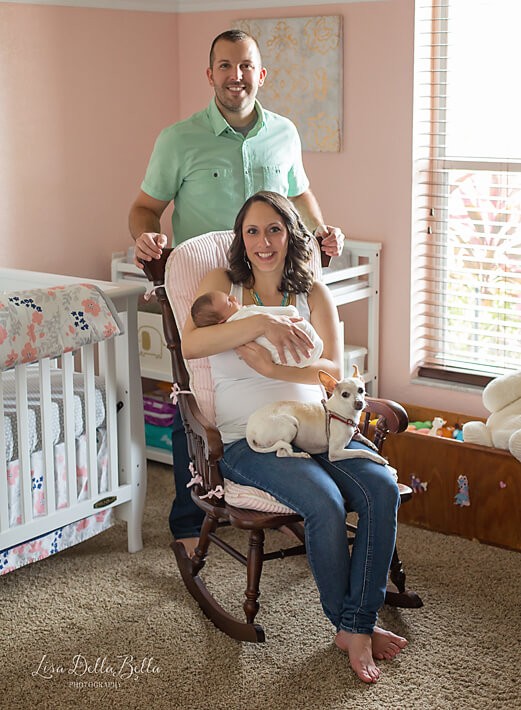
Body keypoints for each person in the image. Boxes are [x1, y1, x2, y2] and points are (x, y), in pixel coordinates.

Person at [128, 28, 346, 551]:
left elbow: (300, 191)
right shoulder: (178, 139)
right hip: (211, 287)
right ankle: (188, 517)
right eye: (225, 66)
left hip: (272, 277)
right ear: (210, 75)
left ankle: (292, 486)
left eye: (245, 65)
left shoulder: (285, 132)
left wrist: (321, 228)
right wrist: (145, 236)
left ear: (261, 74)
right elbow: (143, 208)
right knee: (196, 388)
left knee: (277, 378)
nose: (235, 76)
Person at [181, 191, 407, 684]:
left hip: (320, 425)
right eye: (252, 232)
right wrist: (259, 324)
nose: (264, 242)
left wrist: (273, 363)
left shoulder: (312, 291)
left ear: (291, 234)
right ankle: (351, 625)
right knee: (324, 502)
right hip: (250, 439)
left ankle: (355, 625)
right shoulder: (224, 287)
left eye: (275, 230)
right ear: (241, 239)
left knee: (381, 488)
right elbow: (192, 340)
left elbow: (332, 369)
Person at [190, 289, 323, 367]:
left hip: (293, 362)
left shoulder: (231, 339)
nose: (233, 297)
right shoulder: (247, 315)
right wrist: (291, 313)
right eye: (229, 302)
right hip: (310, 348)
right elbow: (289, 313)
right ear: (222, 321)